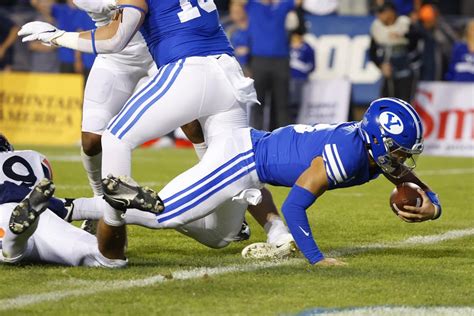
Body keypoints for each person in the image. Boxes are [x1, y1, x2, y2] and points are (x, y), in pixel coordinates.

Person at [18, 0, 294, 263]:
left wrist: (57, 36)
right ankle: (274, 230)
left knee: (115, 139)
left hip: (181, 63)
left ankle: (110, 246)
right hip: (225, 70)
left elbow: (115, 37)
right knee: (222, 227)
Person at [101, 98, 442, 265]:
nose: (400, 159)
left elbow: (413, 181)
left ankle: (101, 211)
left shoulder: (369, 150)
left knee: (219, 239)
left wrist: (434, 208)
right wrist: (317, 258)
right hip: (240, 159)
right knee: (166, 215)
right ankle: (76, 208)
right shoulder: (350, 153)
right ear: (380, 141)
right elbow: (296, 205)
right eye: (398, 150)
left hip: (251, 164)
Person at [0, 134, 122, 267]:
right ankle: (123, 210)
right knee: (108, 260)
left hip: (19, 213)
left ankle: (14, 240)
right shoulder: (33, 158)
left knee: (9, 250)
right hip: (43, 214)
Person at [244, 0, 300, 130]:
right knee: (257, 103)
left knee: (282, 104)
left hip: (281, 61)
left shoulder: (281, 5)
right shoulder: (253, 5)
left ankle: (283, 141)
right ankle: (256, 140)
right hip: (259, 61)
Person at [369, 2, 419, 102]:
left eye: (382, 12)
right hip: (389, 71)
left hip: (405, 71)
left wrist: (403, 35)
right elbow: (372, 52)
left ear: (391, 12)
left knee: (404, 101)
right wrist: (381, 65)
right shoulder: (377, 27)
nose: (379, 16)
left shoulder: (404, 23)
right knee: (386, 100)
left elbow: (417, 40)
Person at [289, 27, 315, 122]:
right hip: (286, 78)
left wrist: (301, 67)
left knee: (296, 101)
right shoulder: (286, 46)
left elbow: (312, 66)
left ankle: (295, 120)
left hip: (300, 79)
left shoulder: (307, 48)